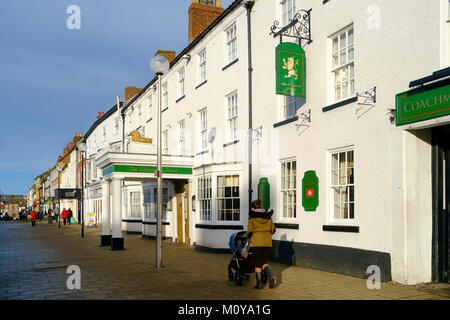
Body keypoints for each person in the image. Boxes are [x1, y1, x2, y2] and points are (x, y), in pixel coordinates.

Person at [247, 199, 276, 289]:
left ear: (253, 208)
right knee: (264, 262)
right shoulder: (268, 218)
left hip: (256, 243)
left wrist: (246, 236)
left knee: (258, 263)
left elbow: (249, 233)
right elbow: (273, 230)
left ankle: (259, 284)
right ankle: (270, 276)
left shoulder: (252, 220)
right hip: (267, 242)